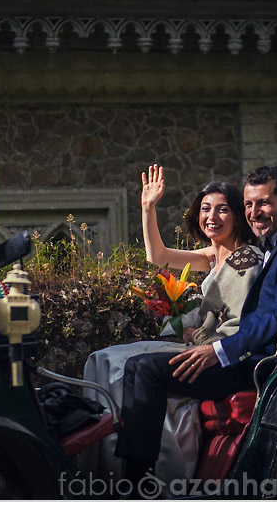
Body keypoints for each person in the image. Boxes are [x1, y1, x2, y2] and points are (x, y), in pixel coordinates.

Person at [114, 165, 277, 488]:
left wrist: (219, 350)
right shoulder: (274, 244)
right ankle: (134, 477)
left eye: (264, 203)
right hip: (244, 354)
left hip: (263, 367)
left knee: (146, 369)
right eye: (249, 204)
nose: (255, 212)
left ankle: (137, 486)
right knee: (135, 365)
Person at [80, 164, 263, 484]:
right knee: (104, 358)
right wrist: (147, 207)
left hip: (222, 355)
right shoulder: (212, 255)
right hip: (199, 344)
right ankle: (106, 463)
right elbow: (158, 257)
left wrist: (194, 331)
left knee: (129, 365)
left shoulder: (245, 258)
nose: (212, 217)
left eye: (223, 210)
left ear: (237, 216)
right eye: (206, 209)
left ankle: (136, 475)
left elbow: (234, 326)